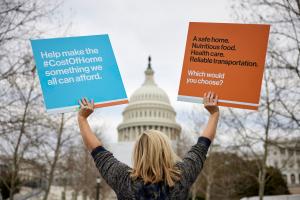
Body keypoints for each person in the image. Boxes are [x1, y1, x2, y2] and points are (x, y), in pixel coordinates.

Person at [77, 91, 219, 200]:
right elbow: (202, 145)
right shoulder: (181, 177)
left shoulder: (124, 180)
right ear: (166, 151)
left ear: (137, 152)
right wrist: (214, 114)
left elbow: (97, 150)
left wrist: (82, 118)